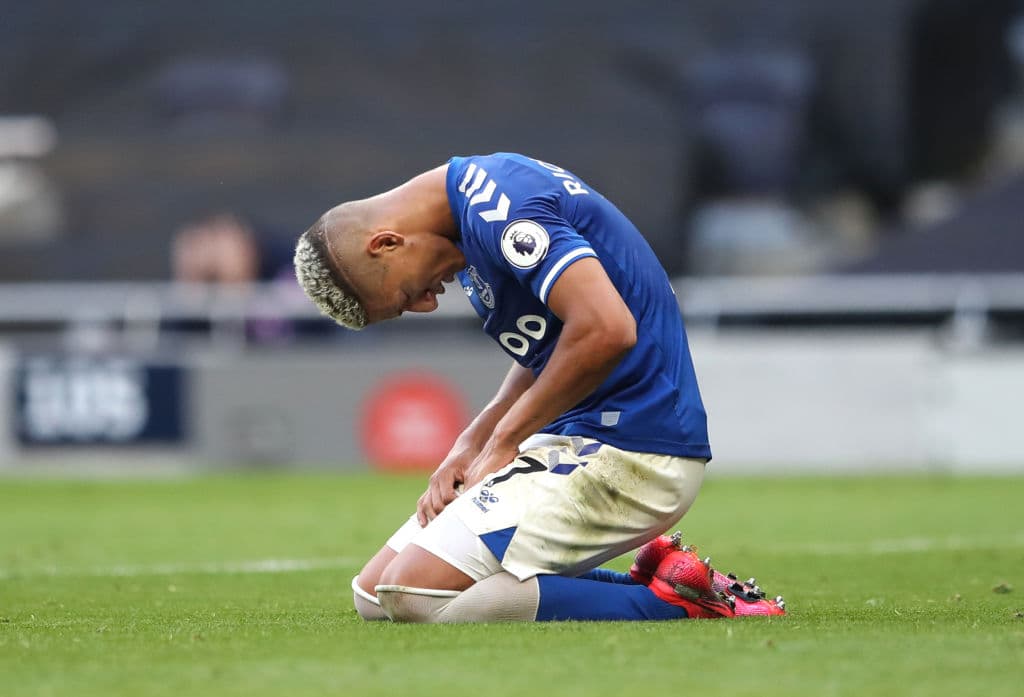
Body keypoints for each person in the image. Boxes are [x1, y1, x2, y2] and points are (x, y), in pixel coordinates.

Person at [293, 152, 786, 622]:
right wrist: (475, 440)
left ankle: (680, 605)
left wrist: (506, 439)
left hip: (635, 446)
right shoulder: (468, 216)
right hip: (578, 437)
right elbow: (552, 344)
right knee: (374, 595)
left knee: (414, 594)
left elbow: (605, 330)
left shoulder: (503, 209)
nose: (425, 304)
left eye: (405, 297)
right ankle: (672, 581)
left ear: (386, 244)